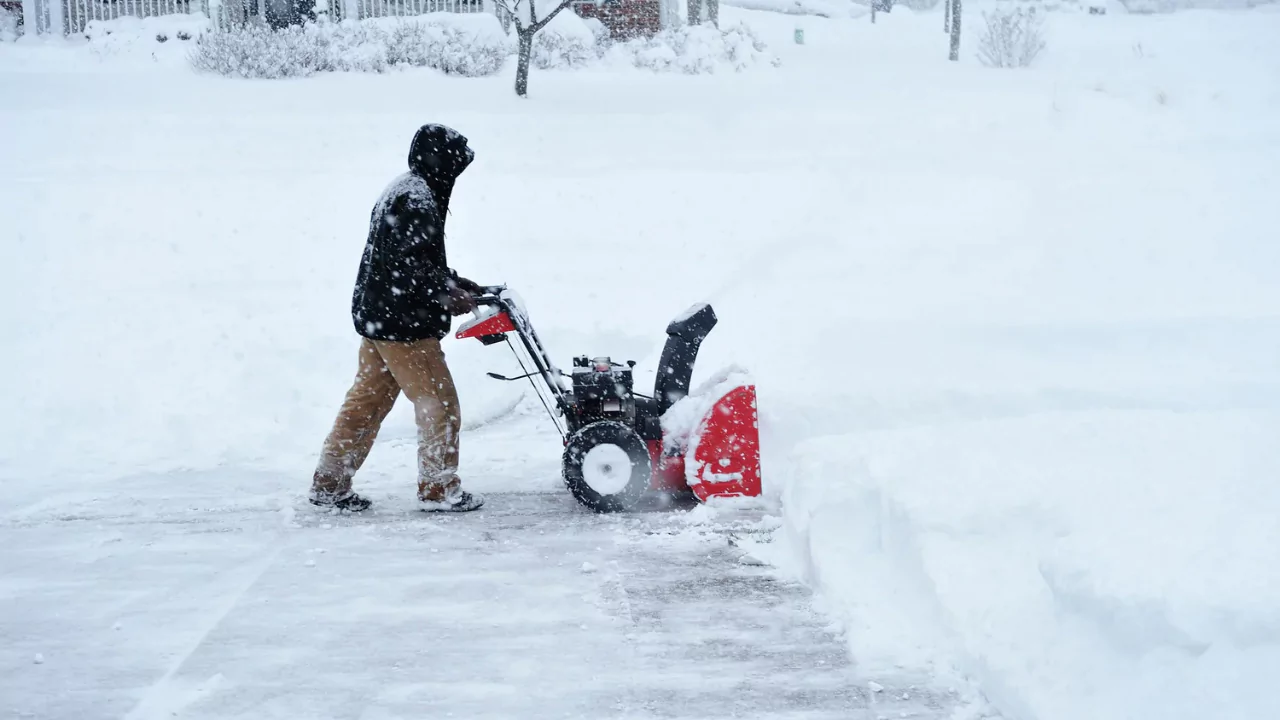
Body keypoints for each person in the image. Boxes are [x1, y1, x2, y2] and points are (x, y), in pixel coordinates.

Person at [310, 123, 485, 513]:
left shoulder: (406, 188)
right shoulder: (416, 200)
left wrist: (455, 282)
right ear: (441, 161)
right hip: (404, 326)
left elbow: (412, 261)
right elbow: (406, 270)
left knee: (366, 403)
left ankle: (330, 482)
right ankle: (439, 488)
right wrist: (444, 295)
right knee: (439, 403)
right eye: (455, 164)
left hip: (379, 319)